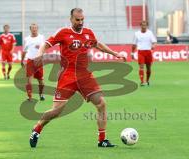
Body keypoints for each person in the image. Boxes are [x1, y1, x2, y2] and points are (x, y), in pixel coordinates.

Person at [29, 8, 126, 148]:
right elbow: (46, 44)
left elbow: (97, 44)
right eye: (77, 20)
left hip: (84, 75)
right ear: (71, 19)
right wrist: (39, 55)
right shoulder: (63, 32)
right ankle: (37, 129)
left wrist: (115, 53)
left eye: (82, 19)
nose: (80, 22)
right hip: (67, 75)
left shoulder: (88, 32)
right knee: (56, 111)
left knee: (101, 104)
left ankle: (102, 140)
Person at [21, 23, 45, 101]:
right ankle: (29, 97)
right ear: (30, 29)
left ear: (37, 29)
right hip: (30, 60)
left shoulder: (41, 37)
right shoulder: (27, 39)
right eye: (32, 28)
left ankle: (41, 94)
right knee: (29, 80)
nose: (34, 29)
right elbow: (24, 51)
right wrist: (22, 60)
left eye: (35, 28)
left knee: (41, 81)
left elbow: (45, 47)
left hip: (38, 61)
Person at [131, 21, 157, 86]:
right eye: (142, 25)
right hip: (140, 52)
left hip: (148, 52)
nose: (144, 27)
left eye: (145, 25)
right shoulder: (137, 34)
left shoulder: (150, 33)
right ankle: (142, 81)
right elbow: (134, 44)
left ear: (147, 26)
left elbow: (154, 42)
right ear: (140, 26)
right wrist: (132, 53)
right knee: (141, 67)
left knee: (148, 68)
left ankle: (147, 80)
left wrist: (153, 45)